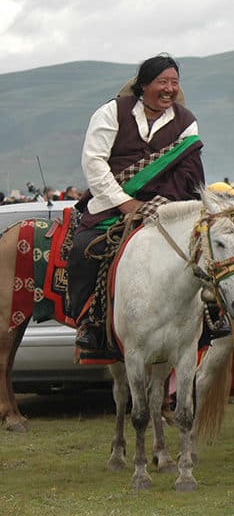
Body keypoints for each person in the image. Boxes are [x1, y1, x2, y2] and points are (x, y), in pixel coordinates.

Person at [69, 54, 208, 351]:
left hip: (166, 207)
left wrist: (161, 204)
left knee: (206, 249)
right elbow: (94, 163)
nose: (169, 89)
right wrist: (125, 203)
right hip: (110, 206)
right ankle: (89, 322)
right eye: (162, 82)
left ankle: (209, 318)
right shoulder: (111, 112)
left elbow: (189, 173)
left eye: (174, 82)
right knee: (83, 250)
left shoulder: (186, 122)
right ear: (144, 85)